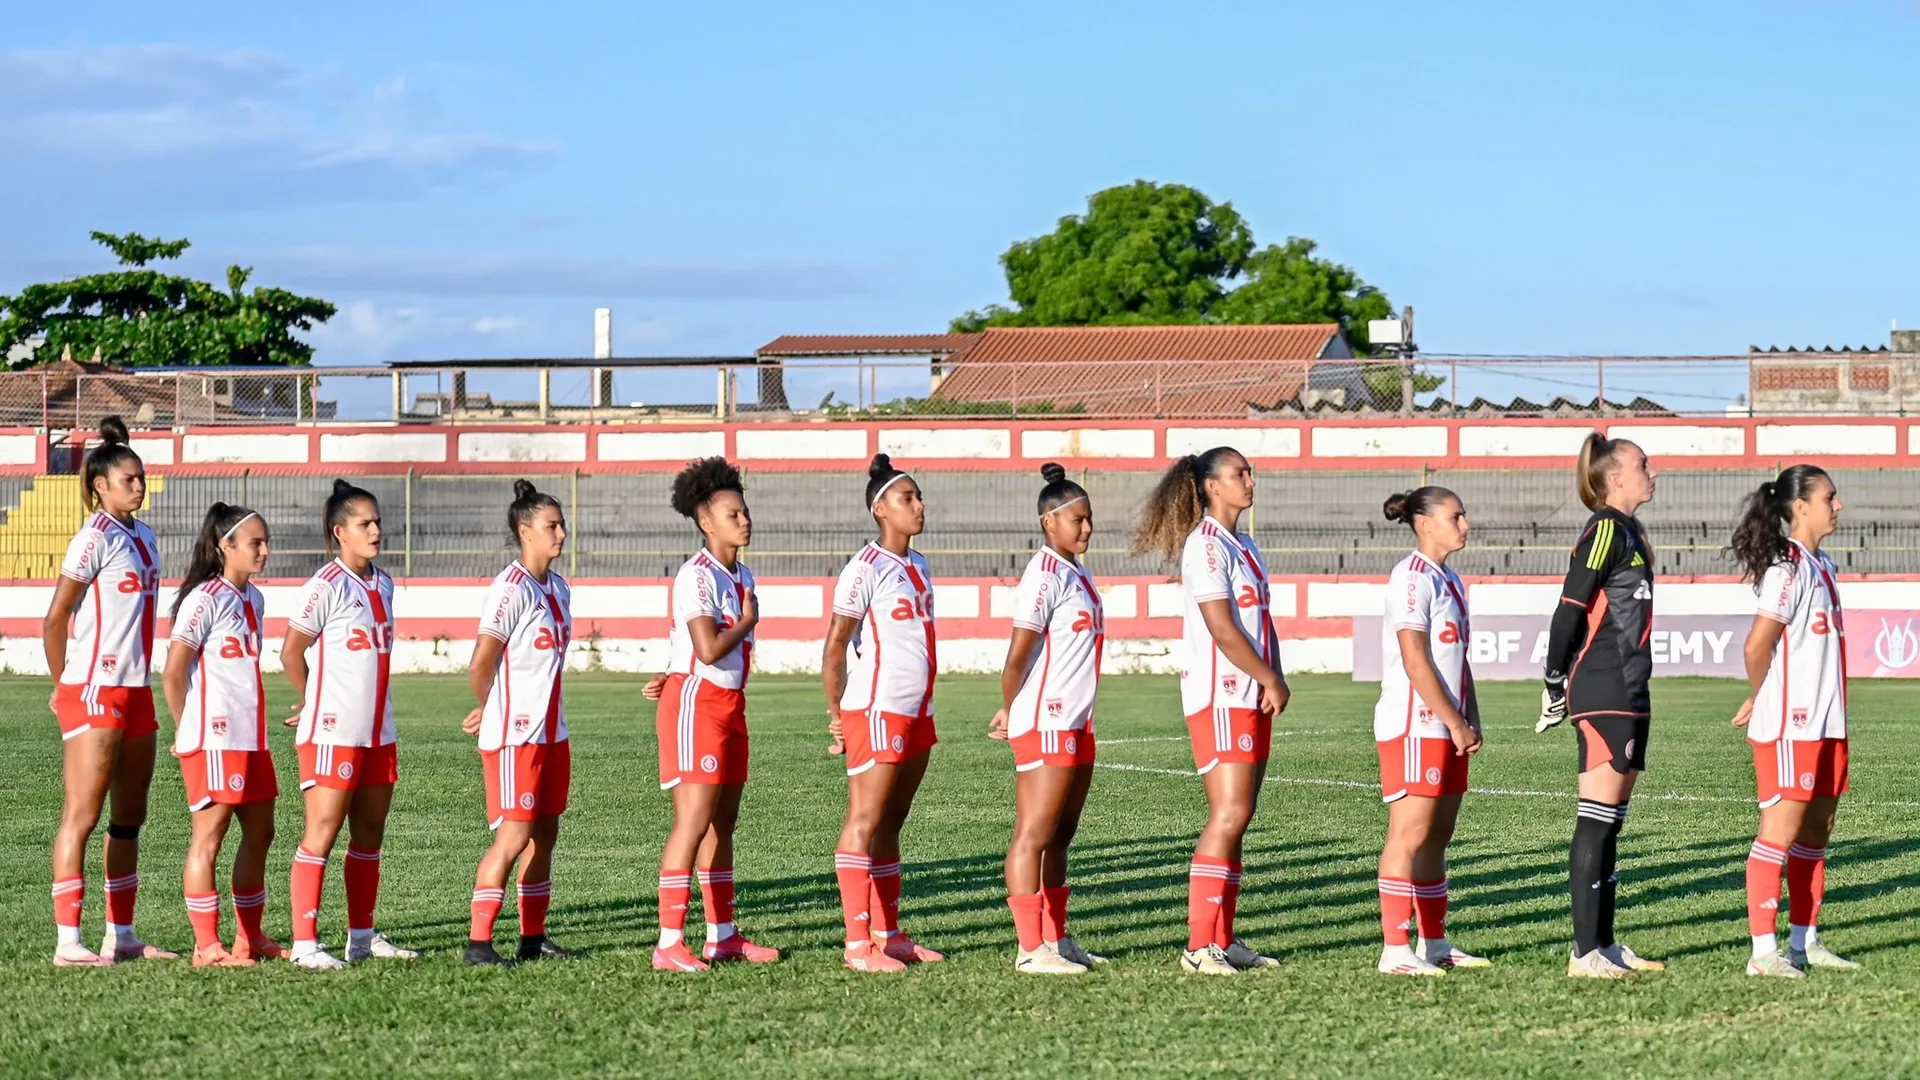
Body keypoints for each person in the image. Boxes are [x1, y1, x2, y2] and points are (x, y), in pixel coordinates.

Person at [1131, 446, 1287, 976]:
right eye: (1239, 473)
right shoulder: (1205, 546)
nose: (1250, 479)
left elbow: (1260, 623)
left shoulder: (1243, 543)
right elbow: (1222, 628)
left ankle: (1223, 937)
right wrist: (1267, 675)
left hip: (1250, 693)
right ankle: (1200, 946)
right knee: (1227, 814)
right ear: (1211, 487)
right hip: (1222, 694)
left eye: (1250, 470)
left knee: (1239, 817)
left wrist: (1274, 675)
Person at [43, 416, 176, 966]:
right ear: (100, 485)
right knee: (83, 813)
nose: (139, 486)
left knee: (129, 817)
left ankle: (120, 935)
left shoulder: (143, 536)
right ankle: (68, 942)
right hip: (94, 688)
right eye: (129, 479)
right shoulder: (92, 537)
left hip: (136, 689)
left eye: (141, 478)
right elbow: (55, 619)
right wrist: (61, 687)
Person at [639, 457, 780, 972]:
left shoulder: (741, 572)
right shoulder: (694, 575)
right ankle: (668, 943)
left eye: (744, 511)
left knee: (723, 824)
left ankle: (722, 936)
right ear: (706, 522)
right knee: (692, 823)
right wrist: (747, 621)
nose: (744, 520)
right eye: (732, 514)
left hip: (729, 705)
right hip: (697, 705)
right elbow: (707, 647)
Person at [1537, 433, 1666, 978]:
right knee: (1595, 821)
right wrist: (1553, 679)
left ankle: (1607, 945)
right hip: (1602, 687)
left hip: (1631, 688)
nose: (1651, 472)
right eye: (1642, 465)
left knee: (1611, 821)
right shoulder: (1606, 528)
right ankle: (1584, 953)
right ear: (1615, 476)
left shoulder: (1631, 530)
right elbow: (1569, 607)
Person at [1726, 465, 1859, 977]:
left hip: (1829, 723)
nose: (1838, 505)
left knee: (1818, 831)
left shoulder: (1823, 564)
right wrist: (1763, 696)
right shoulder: (1787, 567)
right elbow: (1758, 644)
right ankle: (1763, 953)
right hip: (1793, 724)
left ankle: (1805, 942)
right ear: (1800, 506)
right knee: (1777, 832)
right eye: (1830, 496)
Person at [279, 479, 417, 970]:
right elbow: (291, 652)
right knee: (322, 830)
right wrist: (311, 698)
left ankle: (361, 937)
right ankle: (304, 944)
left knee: (370, 834)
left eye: (378, 521)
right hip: (333, 731)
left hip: (379, 729)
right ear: (340, 532)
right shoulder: (325, 585)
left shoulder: (383, 582)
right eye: (365, 524)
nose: (376, 530)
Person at [823, 453, 944, 973]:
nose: (918, 506)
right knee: (864, 820)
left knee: (893, 821)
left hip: (918, 710)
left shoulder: (918, 565)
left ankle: (888, 933)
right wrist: (836, 711)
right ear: (880, 509)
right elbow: (835, 646)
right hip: (877, 708)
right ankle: (856, 946)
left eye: (918, 497)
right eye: (906, 498)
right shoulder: (864, 568)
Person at [989, 463, 1106, 976]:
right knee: (1033, 832)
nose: (1087, 528)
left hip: (1078, 722)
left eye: (1089, 518)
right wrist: (1012, 708)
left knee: (1061, 836)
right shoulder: (1043, 575)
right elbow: (1018, 656)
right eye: (1077, 519)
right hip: (1047, 719)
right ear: (1049, 521)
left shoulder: (1077, 572)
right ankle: (1029, 947)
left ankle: (1056, 938)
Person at [462, 481, 582, 966]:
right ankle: (478, 943)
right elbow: (480, 661)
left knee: (545, 834)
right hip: (517, 736)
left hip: (554, 732)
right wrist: (491, 706)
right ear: (525, 530)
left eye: (562, 525)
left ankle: (533, 938)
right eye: (551, 526)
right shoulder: (510, 588)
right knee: (512, 837)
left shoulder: (558, 587)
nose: (561, 534)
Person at [1372, 487, 1487, 977]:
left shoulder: (1451, 580)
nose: (1465, 525)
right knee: (1410, 832)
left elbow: (1456, 662)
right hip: (1413, 723)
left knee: (1439, 834)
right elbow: (1416, 661)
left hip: (1447, 723)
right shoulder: (1411, 577)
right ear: (1425, 523)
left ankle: (1435, 943)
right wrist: (1454, 720)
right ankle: (1395, 951)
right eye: (1455, 516)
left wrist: (1470, 715)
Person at [164, 503, 279, 967]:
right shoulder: (203, 598)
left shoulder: (255, 599)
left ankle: (249, 939)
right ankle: (206, 945)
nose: (265, 551)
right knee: (209, 836)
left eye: (266, 542)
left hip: (251, 736)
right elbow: (173, 673)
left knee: (261, 832)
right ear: (225, 545)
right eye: (255, 543)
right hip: (215, 737)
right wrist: (185, 728)